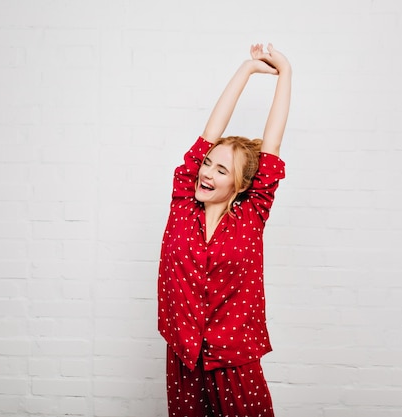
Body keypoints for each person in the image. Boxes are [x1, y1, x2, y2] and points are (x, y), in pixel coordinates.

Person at [157, 43, 292, 417]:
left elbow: (274, 142)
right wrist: (246, 70)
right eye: (207, 164)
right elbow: (208, 134)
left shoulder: (253, 214)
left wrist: (285, 73)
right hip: (185, 353)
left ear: (240, 184)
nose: (206, 172)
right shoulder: (182, 204)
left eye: (221, 170)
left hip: (235, 356)